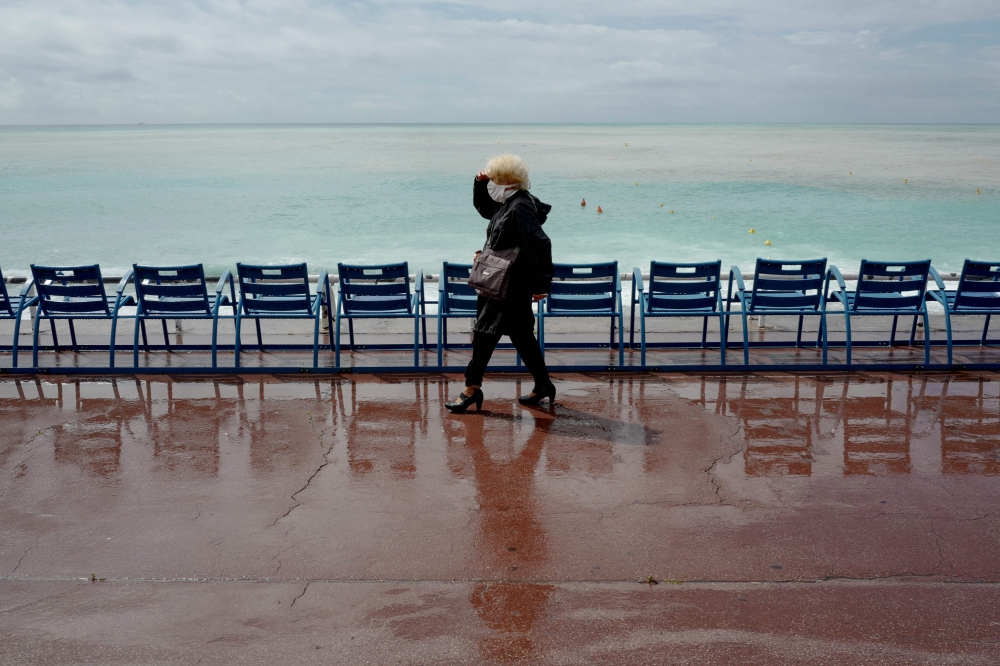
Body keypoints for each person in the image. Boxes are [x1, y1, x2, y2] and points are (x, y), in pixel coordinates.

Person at [445, 154, 555, 413]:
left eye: (494, 179)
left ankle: (471, 388)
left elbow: (541, 242)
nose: (491, 182)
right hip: (502, 280)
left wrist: (541, 284)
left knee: (484, 333)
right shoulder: (509, 202)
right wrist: (478, 181)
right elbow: (485, 209)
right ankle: (543, 385)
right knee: (521, 336)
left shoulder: (520, 206)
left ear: (507, 180)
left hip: (509, 284)